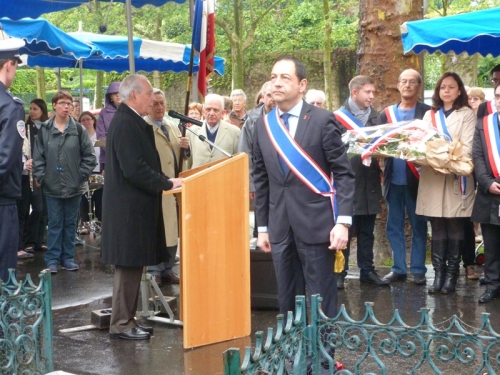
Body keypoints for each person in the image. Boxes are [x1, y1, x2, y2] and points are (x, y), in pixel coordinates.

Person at [254, 56, 355, 321]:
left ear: (302, 85)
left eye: (285, 77)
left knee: (321, 298)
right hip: (280, 227)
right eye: (273, 77)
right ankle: (293, 359)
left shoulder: (323, 120)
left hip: (317, 225)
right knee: (287, 299)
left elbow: (343, 173)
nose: (276, 83)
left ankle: (323, 360)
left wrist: (343, 222)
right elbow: (261, 179)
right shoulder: (262, 126)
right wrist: (262, 227)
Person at [101, 74, 182, 341]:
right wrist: (166, 182)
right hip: (128, 212)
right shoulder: (126, 123)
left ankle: (126, 319)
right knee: (128, 267)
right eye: (148, 94)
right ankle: (122, 324)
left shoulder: (131, 120)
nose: (152, 99)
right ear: (133, 95)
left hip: (132, 209)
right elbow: (134, 168)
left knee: (132, 267)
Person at [416, 72, 476, 294]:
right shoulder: (429, 115)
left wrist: (443, 161)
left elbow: (467, 147)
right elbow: (420, 145)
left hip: (455, 175)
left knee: (455, 224)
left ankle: (452, 275)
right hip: (432, 177)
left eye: (451, 87)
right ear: (438, 91)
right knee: (437, 226)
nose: (447, 91)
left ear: (459, 90)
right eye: (443, 87)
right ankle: (438, 275)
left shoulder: (467, 115)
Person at [33, 91, 97, 274]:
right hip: (51, 186)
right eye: (62, 103)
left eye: (69, 103)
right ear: (54, 105)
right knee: (54, 223)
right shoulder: (45, 130)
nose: (66, 106)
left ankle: (67, 258)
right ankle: (52, 259)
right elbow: (38, 157)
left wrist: (80, 175)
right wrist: (43, 177)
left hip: (74, 186)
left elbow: (90, 157)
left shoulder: (78, 130)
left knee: (70, 224)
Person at [333, 75, 388, 287]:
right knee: (344, 229)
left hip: (370, 181)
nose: (372, 96)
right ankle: (339, 272)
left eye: (373, 92)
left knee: (367, 231)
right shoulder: (336, 118)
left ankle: (367, 270)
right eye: (368, 92)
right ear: (354, 93)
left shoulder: (376, 118)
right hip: (347, 182)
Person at [379, 69, 430, 285]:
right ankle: (398, 268)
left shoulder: (428, 112)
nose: (407, 85)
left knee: (419, 226)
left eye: (412, 82)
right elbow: (380, 144)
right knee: (394, 225)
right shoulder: (386, 114)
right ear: (398, 86)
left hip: (418, 179)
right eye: (403, 81)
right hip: (393, 179)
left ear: (419, 86)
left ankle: (418, 269)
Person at [145, 89, 189, 286]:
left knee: (172, 229)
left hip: (173, 186)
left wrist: (186, 149)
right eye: (155, 103)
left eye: (162, 103)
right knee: (157, 230)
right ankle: (154, 269)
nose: (159, 107)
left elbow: (182, 159)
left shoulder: (171, 127)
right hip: (156, 187)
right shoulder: (144, 128)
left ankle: (168, 268)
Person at [0, 30, 25, 282]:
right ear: (9, 65)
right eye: (15, 67)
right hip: (2, 200)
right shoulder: (10, 105)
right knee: (4, 272)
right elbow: (5, 159)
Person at [472, 83, 500, 303]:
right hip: (490, 192)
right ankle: (492, 284)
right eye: (498, 97)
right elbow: (478, 157)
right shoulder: (484, 124)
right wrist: (487, 182)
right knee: (491, 244)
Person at [238, 81, 275, 246]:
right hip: (261, 181)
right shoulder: (252, 121)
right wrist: (250, 183)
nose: (272, 99)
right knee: (261, 222)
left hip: (283, 180)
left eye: (275, 94)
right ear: (262, 97)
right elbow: (245, 153)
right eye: (268, 95)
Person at [187, 93, 240, 169]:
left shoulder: (234, 132)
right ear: (203, 111)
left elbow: (238, 162)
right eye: (208, 109)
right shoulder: (191, 132)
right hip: (199, 178)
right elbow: (187, 162)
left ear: (223, 113)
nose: (211, 113)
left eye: (215, 110)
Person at [23, 99, 49, 253]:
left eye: (35, 109)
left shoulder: (47, 128)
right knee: (37, 208)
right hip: (33, 173)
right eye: (31, 108)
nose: (32, 111)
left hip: (47, 172)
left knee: (45, 209)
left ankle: (40, 239)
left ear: (42, 111)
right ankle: (30, 240)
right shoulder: (27, 128)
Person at [78, 111, 103, 228]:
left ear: (93, 120)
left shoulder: (100, 136)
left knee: (99, 199)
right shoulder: (79, 138)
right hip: (84, 173)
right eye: (83, 120)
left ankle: (100, 223)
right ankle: (85, 224)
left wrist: (105, 169)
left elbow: (105, 155)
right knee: (84, 200)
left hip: (99, 172)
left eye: (88, 119)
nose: (86, 122)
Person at [96, 82, 121, 171]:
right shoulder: (103, 113)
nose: (118, 95)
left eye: (120, 92)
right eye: (115, 93)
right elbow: (99, 140)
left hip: (129, 158)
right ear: (110, 96)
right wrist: (113, 153)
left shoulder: (131, 111)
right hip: (108, 159)